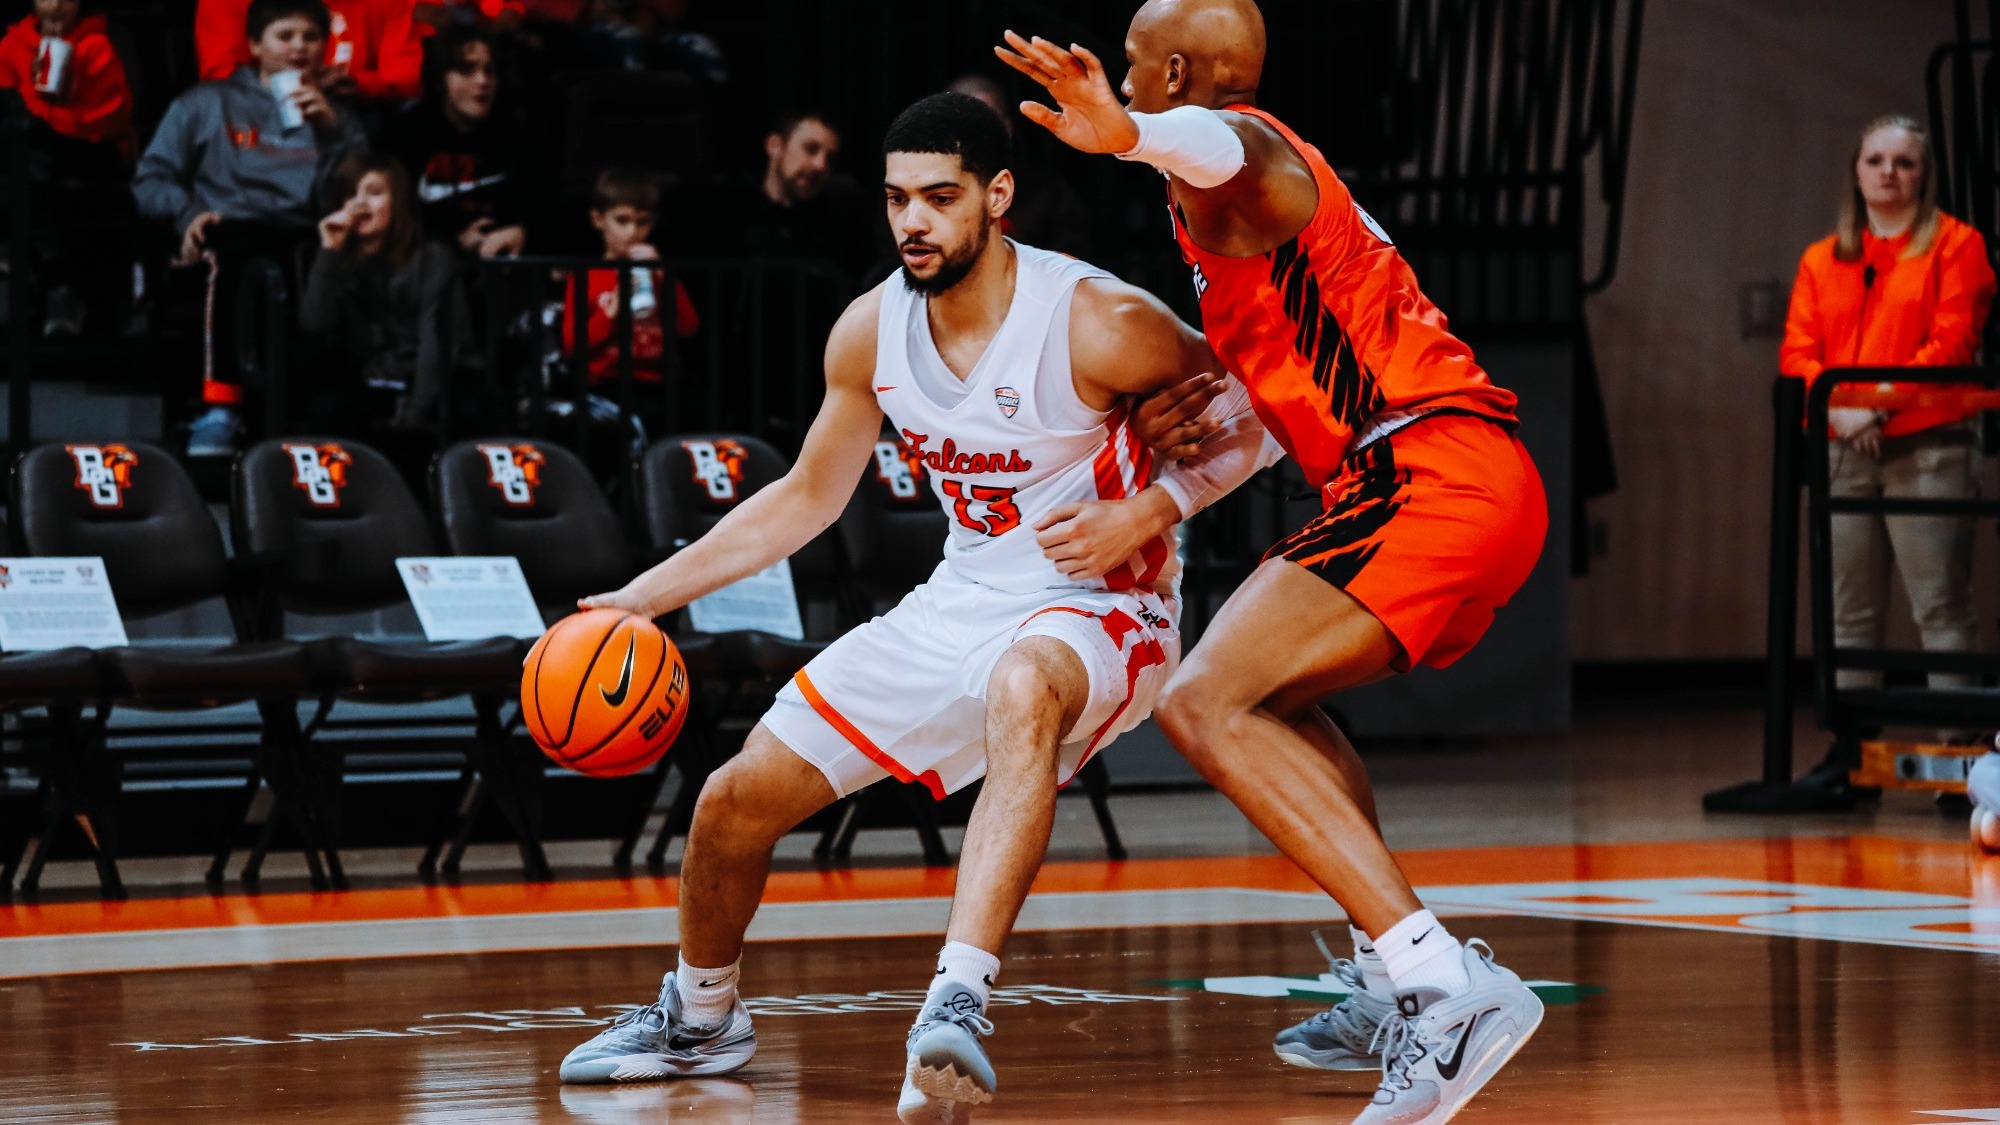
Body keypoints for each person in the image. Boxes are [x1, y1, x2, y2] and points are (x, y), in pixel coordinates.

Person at [554, 91, 1255, 1123]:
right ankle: (702, 1018)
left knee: (1023, 686)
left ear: (996, 196)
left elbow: (1265, 417)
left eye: (938, 197)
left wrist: (1152, 504)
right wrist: (640, 601)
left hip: (1104, 600)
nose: (912, 221)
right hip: (959, 597)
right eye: (895, 200)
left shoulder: (1098, 319)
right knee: (730, 802)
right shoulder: (869, 330)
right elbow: (803, 498)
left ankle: (957, 1004)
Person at [998, 4, 1549, 1124]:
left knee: (1200, 701)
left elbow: (1224, 142)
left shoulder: (1239, 150)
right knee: (1268, 702)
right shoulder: (1240, 203)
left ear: (1172, 70)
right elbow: (1302, 351)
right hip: (1437, 478)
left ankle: (1445, 987)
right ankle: (1389, 974)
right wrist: (1221, 407)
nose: (1122, 72)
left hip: (1428, 473)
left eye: (1135, 59)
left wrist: (1125, 134)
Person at [1779, 114, 1994, 760]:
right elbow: (1798, 353)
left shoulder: (1958, 245)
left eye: (1904, 162)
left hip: (1928, 442)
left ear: (1925, 174)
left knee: (1940, 604)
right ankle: (1851, 746)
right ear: (1856, 170)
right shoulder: (1824, 258)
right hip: (1845, 443)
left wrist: (1874, 406)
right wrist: (1844, 414)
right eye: (1876, 160)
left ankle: (1962, 749)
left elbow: (1951, 343)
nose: (1889, 173)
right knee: (1850, 611)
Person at [133, 0, 367, 455]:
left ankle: (313, 415)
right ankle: (220, 406)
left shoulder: (340, 118)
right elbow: (151, 179)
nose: (299, 47)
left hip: (303, 232)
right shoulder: (207, 101)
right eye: (285, 36)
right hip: (226, 228)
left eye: (311, 37)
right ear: (256, 45)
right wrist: (188, 213)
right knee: (238, 248)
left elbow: (358, 194)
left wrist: (332, 133)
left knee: (329, 261)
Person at [298, 152, 464, 438]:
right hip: (375, 382)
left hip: (436, 384)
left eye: (374, 193)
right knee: (328, 410)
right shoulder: (339, 261)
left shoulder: (434, 258)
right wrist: (329, 252)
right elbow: (314, 323)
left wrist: (413, 416)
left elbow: (437, 346)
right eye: (350, 193)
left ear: (397, 202)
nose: (359, 203)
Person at [0, 0, 136, 335]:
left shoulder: (98, 46)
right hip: (27, 157)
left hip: (87, 151)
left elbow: (109, 121)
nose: (58, 4)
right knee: (22, 148)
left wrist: (66, 94)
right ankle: (43, 277)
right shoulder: (12, 44)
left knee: (32, 152)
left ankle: (48, 273)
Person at [382, 24, 527, 258]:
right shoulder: (406, 133)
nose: (482, 81)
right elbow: (394, 223)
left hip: (501, 274)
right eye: (467, 70)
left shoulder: (517, 135)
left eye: (490, 71)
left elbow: (547, 208)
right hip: (422, 271)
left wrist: (522, 233)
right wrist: (452, 243)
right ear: (441, 78)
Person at [560, 166, 698, 398]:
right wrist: (610, 312)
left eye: (642, 222)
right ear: (598, 220)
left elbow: (688, 328)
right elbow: (571, 345)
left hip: (656, 385)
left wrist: (665, 279)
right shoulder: (585, 277)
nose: (633, 231)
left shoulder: (657, 273)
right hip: (602, 386)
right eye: (622, 220)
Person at [950, 72, 1094, 260]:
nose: (977, 133)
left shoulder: (1049, 194)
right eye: (965, 124)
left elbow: (1072, 266)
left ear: (1007, 127)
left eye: (988, 121)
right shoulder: (927, 193)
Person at [198, 0, 423, 105]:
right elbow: (221, 76)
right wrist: (284, 89)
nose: (298, 47)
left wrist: (356, 85)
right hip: (251, 114)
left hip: (355, 113)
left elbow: (408, 80)